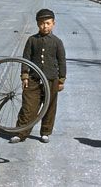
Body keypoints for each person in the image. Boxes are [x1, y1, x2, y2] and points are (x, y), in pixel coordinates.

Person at [10, 9, 66, 144]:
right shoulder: (32, 40)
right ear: (37, 24)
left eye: (47, 23)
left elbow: (61, 61)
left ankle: (45, 132)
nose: (45, 26)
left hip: (51, 80)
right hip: (33, 80)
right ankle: (20, 133)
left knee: (49, 106)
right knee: (28, 107)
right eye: (41, 23)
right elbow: (26, 59)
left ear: (53, 24)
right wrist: (24, 76)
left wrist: (61, 80)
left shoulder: (57, 42)